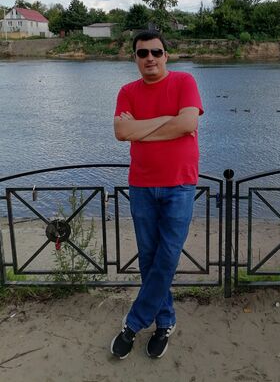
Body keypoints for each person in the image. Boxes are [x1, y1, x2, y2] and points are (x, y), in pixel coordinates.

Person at [111, 29, 203, 360]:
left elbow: (188, 123)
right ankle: (165, 321)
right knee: (149, 256)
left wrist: (142, 128)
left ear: (166, 55)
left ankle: (134, 323)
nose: (149, 58)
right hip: (141, 185)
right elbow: (121, 131)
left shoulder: (184, 82)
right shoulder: (127, 91)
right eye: (142, 53)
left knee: (168, 255)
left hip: (180, 184)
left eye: (156, 52)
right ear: (135, 58)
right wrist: (167, 120)